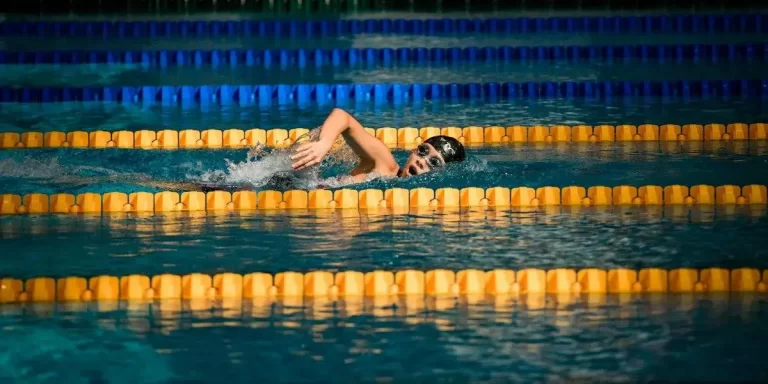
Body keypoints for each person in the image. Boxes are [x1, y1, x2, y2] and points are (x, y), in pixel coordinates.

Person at [289, 108, 467, 184]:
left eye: (434, 162)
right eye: (423, 151)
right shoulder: (384, 164)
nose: (422, 161)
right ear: (414, 150)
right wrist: (324, 144)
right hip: (292, 184)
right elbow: (343, 117)